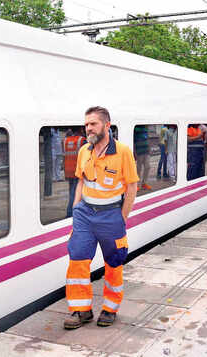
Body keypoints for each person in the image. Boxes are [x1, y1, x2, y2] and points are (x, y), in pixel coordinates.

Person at [64, 106, 138, 329]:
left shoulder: (123, 151)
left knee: (114, 263)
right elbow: (80, 182)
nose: (88, 128)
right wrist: (75, 213)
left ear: (106, 125)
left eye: (93, 124)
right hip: (85, 214)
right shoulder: (83, 151)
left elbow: (132, 186)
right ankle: (80, 310)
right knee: (77, 259)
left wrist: (122, 218)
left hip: (111, 215)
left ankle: (110, 308)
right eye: (86, 124)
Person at [63, 128, 86, 218]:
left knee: (71, 192)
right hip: (77, 170)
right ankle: (71, 213)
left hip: (68, 170)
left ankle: (71, 212)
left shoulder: (65, 141)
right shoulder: (82, 140)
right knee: (76, 193)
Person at [134, 125, 151, 190]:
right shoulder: (135, 128)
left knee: (148, 167)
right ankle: (137, 185)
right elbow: (133, 140)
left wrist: (149, 148)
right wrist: (134, 152)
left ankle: (144, 183)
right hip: (139, 151)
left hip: (146, 151)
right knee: (139, 169)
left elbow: (148, 139)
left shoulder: (145, 128)